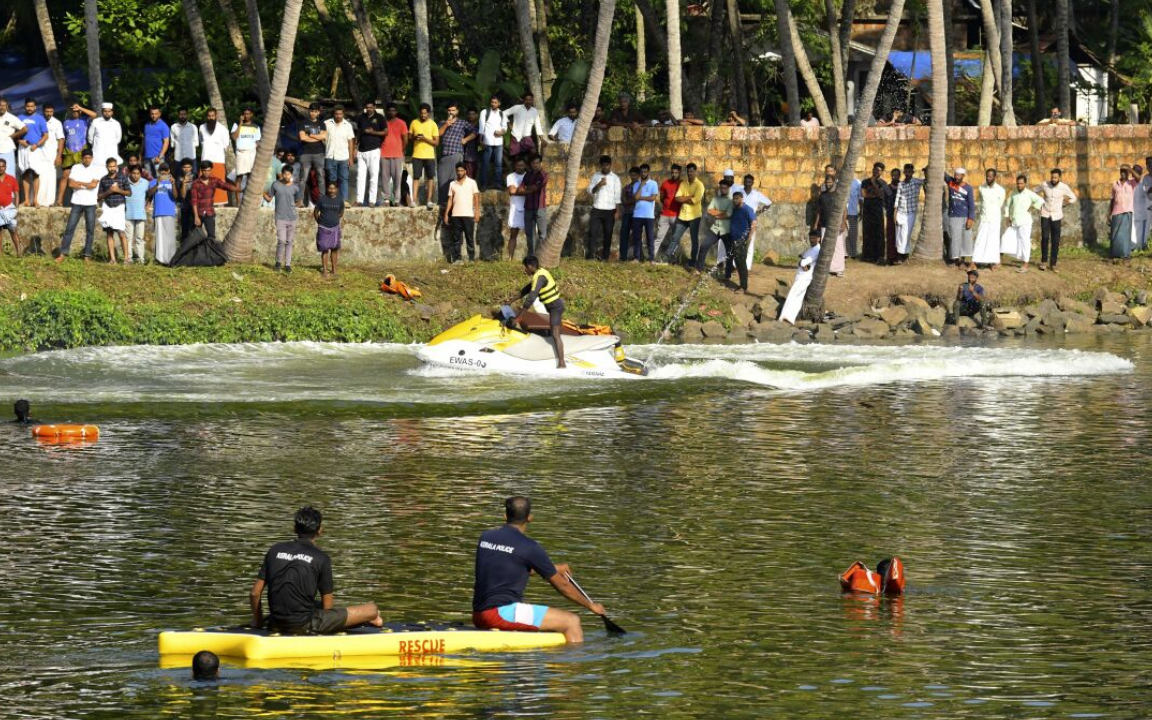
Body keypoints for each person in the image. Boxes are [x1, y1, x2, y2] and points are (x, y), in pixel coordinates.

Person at [472, 496, 605, 643]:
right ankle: (573, 663)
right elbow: (562, 585)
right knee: (571, 621)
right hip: (501, 613)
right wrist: (590, 605)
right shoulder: (530, 547)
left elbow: (511, 567)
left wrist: (552, 568)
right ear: (530, 518)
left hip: (479, 614)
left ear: (505, 516)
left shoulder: (485, 537)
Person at [249, 506, 383, 635]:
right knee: (371, 609)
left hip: (275, 622)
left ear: (295, 528)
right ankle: (372, 617)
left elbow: (255, 593)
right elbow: (327, 608)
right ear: (319, 531)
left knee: (314, 605)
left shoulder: (275, 550)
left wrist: (258, 621)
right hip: (304, 625)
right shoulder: (322, 558)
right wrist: (334, 621)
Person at [517, 256, 567, 368]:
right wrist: (511, 300)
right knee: (553, 331)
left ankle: (562, 363)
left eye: (525, 267)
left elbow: (531, 297)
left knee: (555, 333)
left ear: (530, 266)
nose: (525, 270)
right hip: (552, 307)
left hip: (555, 307)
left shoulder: (540, 277)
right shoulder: (538, 274)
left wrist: (518, 317)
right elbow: (526, 290)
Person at [57, 150, 101, 261]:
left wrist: (80, 183)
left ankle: (87, 256)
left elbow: (93, 185)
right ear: (82, 158)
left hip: (90, 203)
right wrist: (87, 184)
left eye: (89, 157)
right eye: (85, 157)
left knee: (90, 230)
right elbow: (71, 183)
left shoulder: (96, 169)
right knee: (70, 228)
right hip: (77, 202)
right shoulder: (76, 167)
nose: (87, 159)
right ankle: (63, 253)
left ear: (92, 158)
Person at [1034, 168, 1077, 271]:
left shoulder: (1064, 187)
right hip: (1045, 214)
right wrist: (1039, 203)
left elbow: (1073, 198)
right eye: (1052, 177)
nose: (1053, 179)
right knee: (1044, 238)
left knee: (1055, 240)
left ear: (1059, 177)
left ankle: (1053, 263)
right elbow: (1034, 192)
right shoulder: (1044, 184)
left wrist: (1064, 204)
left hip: (1057, 216)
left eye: (1056, 177)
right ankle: (1044, 262)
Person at [663, 162, 705, 265]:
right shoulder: (683, 184)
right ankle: (665, 258)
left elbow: (694, 200)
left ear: (695, 172)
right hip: (683, 216)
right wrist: (689, 196)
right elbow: (677, 198)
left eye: (691, 171)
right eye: (688, 171)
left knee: (694, 240)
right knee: (675, 237)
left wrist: (684, 198)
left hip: (694, 217)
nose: (689, 173)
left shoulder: (699, 185)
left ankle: (692, 261)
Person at [1002, 174, 1043, 272]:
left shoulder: (1029, 193)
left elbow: (1040, 200)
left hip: (1025, 221)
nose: (1019, 185)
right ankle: (1001, 259)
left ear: (1025, 183)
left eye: (1021, 183)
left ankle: (1025, 264)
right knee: (1005, 238)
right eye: (1018, 183)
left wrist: (1032, 207)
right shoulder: (1013, 193)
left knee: (1025, 241)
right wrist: (1008, 216)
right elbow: (1008, 205)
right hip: (1014, 221)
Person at [437, 101, 476, 206]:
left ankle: (455, 205)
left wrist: (466, 139)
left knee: (454, 182)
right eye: (449, 110)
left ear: (457, 111)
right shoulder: (442, 122)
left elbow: (476, 131)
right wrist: (446, 124)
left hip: (456, 154)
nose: (451, 112)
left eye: (453, 110)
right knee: (442, 182)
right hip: (444, 155)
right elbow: (438, 134)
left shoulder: (462, 123)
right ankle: (442, 206)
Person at [264, 165, 302, 272]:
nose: (286, 176)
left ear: (291, 174)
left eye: (288, 174)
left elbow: (298, 201)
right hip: (280, 217)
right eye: (285, 174)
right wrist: (261, 192)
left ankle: (288, 264)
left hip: (292, 218)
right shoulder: (276, 184)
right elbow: (268, 198)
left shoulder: (295, 187)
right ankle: (278, 262)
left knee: (289, 241)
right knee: (281, 240)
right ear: (282, 173)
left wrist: (294, 206)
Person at [780, 230, 821, 325]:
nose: (812, 240)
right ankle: (788, 318)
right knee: (795, 297)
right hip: (801, 275)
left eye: (814, 238)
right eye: (811, 238)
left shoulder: (817, 250)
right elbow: (804, 257)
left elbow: (803, 262)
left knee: (794, 296)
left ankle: (787, 318)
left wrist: (801, 262)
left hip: (805, 277)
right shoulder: (812, 249)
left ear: (819, 239)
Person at [189, 161, 239, 238]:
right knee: (196, 237)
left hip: (210, 213)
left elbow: (226, 186)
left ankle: (210, 250)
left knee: (211, 237)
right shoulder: (195, 184)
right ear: (201, 171)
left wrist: (238, 189)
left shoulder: (214, 180)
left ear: (211, 170)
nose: (206, 173)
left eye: (208, 170)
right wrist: (196, 217)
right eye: (204, 170)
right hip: (198, 213)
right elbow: (194, 201)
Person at [444, 162, 480, 262]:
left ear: (465, 171)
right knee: (456, 239)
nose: (459, 173)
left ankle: (471, 259)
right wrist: (446, 214)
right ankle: (456, 259)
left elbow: (476, 198)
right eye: (458, 171)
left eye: (461, 170)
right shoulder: (452, 184)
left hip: (468, 215)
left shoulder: (472, 182)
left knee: (469, 239)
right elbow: (450, 199)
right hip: (455, 215)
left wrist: (477, 212)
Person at [17, 98, 50, 208]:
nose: (29, 108)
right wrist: (20, 141)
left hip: (35, 149)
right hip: (23, 149)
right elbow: (14, 135)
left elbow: (46, 135)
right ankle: (26, 200)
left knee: (35, 174)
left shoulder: (40, 118)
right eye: (27, 106)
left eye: (31, 106)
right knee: (25, 174)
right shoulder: (19, 118)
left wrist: (37, 145)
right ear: (25, 106)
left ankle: (35, 200)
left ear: (35, 107)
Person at [97, 158, 131, 264]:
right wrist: (109, 192)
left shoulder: (123, 178)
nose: (112, 168)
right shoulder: (103, 180)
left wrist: (118, 190)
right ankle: (112, 259)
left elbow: (129, 193)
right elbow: (99, 196)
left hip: (119, 207)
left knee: (121, 233)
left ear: (117, 166)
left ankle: (126, 259)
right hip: (107, 207)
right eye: (110, 166)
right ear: (107, 167)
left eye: (114, 166)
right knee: (109, 233)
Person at [587, 154, 621, 260]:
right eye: (603, 165)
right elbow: (590, 191)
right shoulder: (596, 176)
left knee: (608, 234)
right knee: (593, 232)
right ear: (600, 165)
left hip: (610, 210)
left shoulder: (615, 178)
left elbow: (617, 196)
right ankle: (591, 256)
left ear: (610, 165)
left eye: (607, 165)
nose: (605, 167)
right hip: (597, 208)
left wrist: (617, 211)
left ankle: (605, 257)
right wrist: (599, 185)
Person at [697, 179, 734, 273]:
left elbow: (728, 214)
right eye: (721, 188)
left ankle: (728, 275)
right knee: (703, 246)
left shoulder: (731, 200)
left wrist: (717, 213)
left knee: (729, 253)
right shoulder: (716, 199)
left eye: (725, 188)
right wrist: (722, 213)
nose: (723, 190)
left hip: (727, 230)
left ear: (728, 188)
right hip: (715, 229)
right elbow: (709, 210)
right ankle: (698, 270)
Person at [972, 168, 1006, 269]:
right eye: (987, 176)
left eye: (990, 176)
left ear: (995, 177)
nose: (988, 178)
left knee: (993, 241)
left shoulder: (1001, 190)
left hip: (995, 219)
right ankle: (975, 261)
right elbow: (982, 202)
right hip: (984, 218)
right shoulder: (981, 188)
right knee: (980, 240)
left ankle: (993, 262)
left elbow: (999, 205)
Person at [198, 108, 231, 205]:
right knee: (203, 185)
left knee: (219, 185)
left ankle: (220, 206)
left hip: (218, 160)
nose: (211, 118)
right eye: (209, 116)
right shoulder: (201, 128)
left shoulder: (223, 129)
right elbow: (201, 141)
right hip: (205, 160)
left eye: (213, 116)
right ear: (206, 116)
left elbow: (226, 145)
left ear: (216, 116)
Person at [409, 103, 439, 209]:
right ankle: (414, 200)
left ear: (429, 114)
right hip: (417, 155)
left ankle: (429, 200)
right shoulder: (414, 122)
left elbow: (436, 142)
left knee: (430, 178)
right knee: (416, 177)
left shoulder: (433, 124)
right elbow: (409, 137)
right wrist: (415, 137)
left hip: (429, 156)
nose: (423, 115)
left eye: (425, 113)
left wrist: (424, 138)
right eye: (421, 113)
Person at [297, 103, 328, 207]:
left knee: (321, 178)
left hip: (319, 153)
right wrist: (316, 137)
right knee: (303, 178)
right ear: (308, 111)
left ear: (318, 112)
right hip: (305, 154)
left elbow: (324, 136)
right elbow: (302, 138)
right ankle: (300, 200)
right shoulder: (302, 123)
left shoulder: (321, 124)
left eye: (315, 111)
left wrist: (309, 135)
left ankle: (323, 199)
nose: (313, 113)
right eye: (311, 111)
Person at [147, 163, 178, 265]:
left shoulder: (172, 181)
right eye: (162, 170)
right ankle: (160, 259)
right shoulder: (153, 182)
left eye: (166, 170)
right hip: (159, 213)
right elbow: (150, 193)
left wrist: (173, 184)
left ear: (169, 171)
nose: (164, 172)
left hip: (169, 213)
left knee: (170, 237)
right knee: (160, 237)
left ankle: (171, 259)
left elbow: (176, 196)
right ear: (158, 171)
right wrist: (157, 184)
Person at [323, 105, 355, 204]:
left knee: (344, 179)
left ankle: (344, 200)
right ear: (334, 114)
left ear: (343, 114)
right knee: (331, 180)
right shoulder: (327, 123)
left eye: (340, 114)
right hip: (330, 156)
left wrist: (351, 157)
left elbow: (350, 142)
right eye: (336, 114)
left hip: (343, 157)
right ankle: (332, 200)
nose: (338, 116)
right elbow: (322, 137)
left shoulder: (348, 125)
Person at [57, 105, 88, 206]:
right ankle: (59, 200)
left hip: (80, 152)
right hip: (69, 152)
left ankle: (81, 201)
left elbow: (95, 115)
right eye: (72, 111)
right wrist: (60, 155)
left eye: (76, 111)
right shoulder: (65, 122)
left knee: (81, 177)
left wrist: (81, 108)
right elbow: (62, 138)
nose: (74, 112)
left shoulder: (84, 121)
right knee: (65, 175)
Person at [892, 163, 923, 263]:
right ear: (904, 172)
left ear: (913, 172)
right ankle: (901, 254)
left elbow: (927, 181)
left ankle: (902, 256)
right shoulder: (901, 184)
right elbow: (897, 198)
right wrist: (895, 213)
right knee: (899, 234)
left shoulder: (916, 182)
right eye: (906, 171)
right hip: (900, 212)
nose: (908, 173)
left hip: (911, 212)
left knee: (906, 234)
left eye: (910, 172)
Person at [944, 168, 976, 266]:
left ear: (963, 176)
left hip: (965, 217)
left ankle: (963, 260)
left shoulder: (968, 188)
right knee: (955, 238)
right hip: (953, 216)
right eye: (955, 175)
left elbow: (971, 205)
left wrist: (970, 219)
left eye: (959, 175)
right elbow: (943, 173)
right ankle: (954, 259)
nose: (956, 177)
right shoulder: (951, 183)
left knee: (965, 238)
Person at [380, 103, 408, 207]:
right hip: (384, 153)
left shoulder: (402, 123)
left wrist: (401, 150)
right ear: (387, 112)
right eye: (389, 110)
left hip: (397, 154)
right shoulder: (382, 122)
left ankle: (397, 200)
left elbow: (405, 139)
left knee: (397, 178)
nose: (391, 112)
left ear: (396, 112)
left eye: (393, 110)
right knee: (385, 178)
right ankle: (386, 200)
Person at [230, 107, 261, 203]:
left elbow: (257, 143)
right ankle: (238, 202)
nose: (246, 116)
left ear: (251, 114)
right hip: (241, 153)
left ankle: (248, 201)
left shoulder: (256, 127)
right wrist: (240, 123)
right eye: (244, 114)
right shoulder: (236, 125)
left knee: (250, 177)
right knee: (239, 177)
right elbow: (234, 137)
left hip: (251, 153)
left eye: (248, 114)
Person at [859, 162, 888, 263]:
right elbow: (863, 194)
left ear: (881, 172)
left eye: (879, 170)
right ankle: (867, 256)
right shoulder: (865, 182)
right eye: (875, 169)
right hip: (867, 209)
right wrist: (874, 196)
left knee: (878, 232)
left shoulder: (883, 183)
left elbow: (881, 194)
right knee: (867, 232)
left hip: (878, 210)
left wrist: (874, 182)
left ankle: (878, 255)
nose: (876, 171)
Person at [314, 180, 344, 276]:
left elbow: (341, 212)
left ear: (336, 189)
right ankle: (325, 271)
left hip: (335, 228)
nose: (331, 190)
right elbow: (315, 212)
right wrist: (320, 222)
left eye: (333, 188)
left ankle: (334, 270)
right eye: (329, 188)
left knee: (335, 249)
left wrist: (334, 219)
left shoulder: (340, 200)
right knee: (325, 249)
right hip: (323, 228)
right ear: (327, 189)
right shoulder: (322, 199)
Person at [630, 163, 659, 261]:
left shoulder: (654, 183)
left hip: (649, 216)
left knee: (650, 238)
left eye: (645, 171)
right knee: (637, 238)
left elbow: (653, 198)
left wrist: (641, 197)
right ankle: (637, 258)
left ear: (648, 172)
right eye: (642, 172)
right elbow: (635, 197)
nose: (643, 173)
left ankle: (651, 259)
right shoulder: (636, 184)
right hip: (637, 215)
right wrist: (641, 186)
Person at [520, 154, 548, 255]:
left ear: (540, 163)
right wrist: (529, 188)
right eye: (533, 163)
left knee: (542, 233)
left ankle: (542, 255)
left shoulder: (544, 174)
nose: (535, 165)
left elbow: (536, 187)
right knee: (529, 233)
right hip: (528, 207)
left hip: (540, 207)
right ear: (530, 164)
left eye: (537, 163)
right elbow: (520, 189)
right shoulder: (527, 175)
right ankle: (531, 255)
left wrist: (527, 188)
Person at [81, 102, 123, 167]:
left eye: (109, 111)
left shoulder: (116, 124)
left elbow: (118, 138)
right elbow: (90, 137)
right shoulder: (95, 122)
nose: (107, 113)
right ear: (102, 112)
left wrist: (109, 144)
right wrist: (97, 144)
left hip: (111, 153)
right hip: (98, 154)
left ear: (112, 112)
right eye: (105, 111)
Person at [1110, 164, 1137, 263]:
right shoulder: (1115, 184)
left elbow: (1139, 178)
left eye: (1125, 171)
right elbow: (1112, 200)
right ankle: (1114, 254)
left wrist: (1129, 168)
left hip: (1127, 211)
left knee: (1125, 235)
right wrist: (1110, 213)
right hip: (1116, 212)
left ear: (1128, 172)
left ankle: (1125, 256)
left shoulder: (1132, 183)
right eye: (1121, 170)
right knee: (1115, 234)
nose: (1123, 173)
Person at [478, 96, 506, 190]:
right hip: (487, 141)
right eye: (492, 102)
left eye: (495, 102)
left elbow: (504, 128)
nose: (493, 104)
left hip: (499, 142)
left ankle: (498, 183)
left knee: (499, 164)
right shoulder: (484, 112)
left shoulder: (502, 113)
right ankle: (484, 184)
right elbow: (481, 127)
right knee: (485, 164)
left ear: (499, 104)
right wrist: (480, 140)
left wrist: (501, 132)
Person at [124, 165, 150, 264]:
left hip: (140, 214)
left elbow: (150, 194)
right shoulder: (125, 182)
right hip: (128, 214)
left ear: (141, 174)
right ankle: (129, 259)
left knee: (139, 238)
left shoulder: (145, 183)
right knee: (128, 238)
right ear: (130, 173)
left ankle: (140, 259)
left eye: (138, 173)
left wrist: (148, 203)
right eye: (133, 173)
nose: (135, 176)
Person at [655, 164, 682, 258]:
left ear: (680, 173)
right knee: (659, 237)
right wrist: (666, 204)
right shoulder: (665, 183)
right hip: (665, 214)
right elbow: (661, 197)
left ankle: (673, 258)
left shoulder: (683, 184)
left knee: (675, 238)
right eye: (672, 173)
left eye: (676, 173)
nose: (674, 174)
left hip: (676, 215)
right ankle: (652, 257)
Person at [506, 93, 544, 159]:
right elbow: (503, 114)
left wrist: (541, 138)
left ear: (532, 100)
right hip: (516, 136)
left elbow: (537, 125)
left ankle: (528, 166)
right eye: (526, 99)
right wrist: (509, 124)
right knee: (515, 156)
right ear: (523, 100)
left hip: (527, 137)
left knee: (533, 151)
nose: (528, 101)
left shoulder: (534, 111)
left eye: (530, 100)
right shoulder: (517, 108)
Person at [505, 156, 528, 260]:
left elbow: (515, 191)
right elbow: (511, 191)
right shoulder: (510, 176)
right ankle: (510, 258)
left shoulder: (528, 175)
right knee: (513, 235)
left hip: (528, 207)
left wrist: (517, 190)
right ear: (515, 166)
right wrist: (525, 190)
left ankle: (531, 258)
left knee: (530, 235)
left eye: (522, 165)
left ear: (525, 166)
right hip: (515, 208)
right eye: (518, 165)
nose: (520, 167)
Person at [41, 103, 64, 207]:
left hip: (51, 154)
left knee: (51, 178)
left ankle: (50, 202)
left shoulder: (57, 123)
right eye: (47, 111)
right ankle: (38, 201)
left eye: (51, 112)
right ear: (43, 111)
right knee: (40, 177)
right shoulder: (39, 121)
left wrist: (59, 156)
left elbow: (61, 139)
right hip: (39, 153)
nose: (49, 114)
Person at [0, 98, 26, 181]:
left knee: (9, 173)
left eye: (3, 105)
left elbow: (24, 129)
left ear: (7, 107)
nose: (1, 107)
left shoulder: (11, 118)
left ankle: (11, 194)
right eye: (0, 105)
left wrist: (13, 135)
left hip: (7, 150)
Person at [142, 106, 170, 180]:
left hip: (157, 157)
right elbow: (144, 140)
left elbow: (166, 142)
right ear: (149, 114)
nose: (154, 116)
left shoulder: (163, 126)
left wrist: (160, 157)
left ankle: (163, 192)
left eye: (156, 114)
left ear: (159, 114)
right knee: (148, 179)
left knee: (161, 178)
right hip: (147, 157)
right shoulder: (146, 125)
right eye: (152, 114)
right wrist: (140, 154)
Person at [618, 166, 639, 260]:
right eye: (631, 175)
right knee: (624, 235)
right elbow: (622, 198)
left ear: (638, 176)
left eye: (635, 175)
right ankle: (623, 256)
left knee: (637, 236)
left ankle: (637, 256)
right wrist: (630, 201)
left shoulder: (641, 187)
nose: (633, 177)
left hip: (637, 214)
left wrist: (628, 201)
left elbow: (637, 198)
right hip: (627, 213)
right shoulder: (627, 187)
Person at [0, 159, 21, 256]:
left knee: (13, 230)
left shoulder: (11, 179)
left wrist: (16, 208)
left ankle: (19, 253)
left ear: (5, 167)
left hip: (9, 209)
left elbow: (16, 193)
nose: (0, 168)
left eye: (2, 166)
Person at [171, 108, 198, 175]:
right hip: (178, 158)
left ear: (187, 115)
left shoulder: (193, 127)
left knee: (193, 178)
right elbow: (172, 144)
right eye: (181, 114)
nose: (182, 116)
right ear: (178, 115)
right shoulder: (173, 127)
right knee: (178, 179)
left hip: (191, 157)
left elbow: (196, 143)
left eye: (184, 114)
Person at [1131, 165, 1148, 253]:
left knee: (1141, 233)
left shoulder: (1143, 184)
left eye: (1135, 172)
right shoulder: (1130, 183)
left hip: (1142, 213)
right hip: (1133, 213)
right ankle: (1133, 247)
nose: (1133, 174)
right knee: (1132, 233)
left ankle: (1141, 247)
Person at [463, 108, 481, 179]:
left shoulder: (480, 126)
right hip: (464, 152)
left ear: (477, 115)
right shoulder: (464, 125)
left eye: (473, 114)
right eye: (469, 114)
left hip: (475, 153)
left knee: (473, 173)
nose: (471, 116)